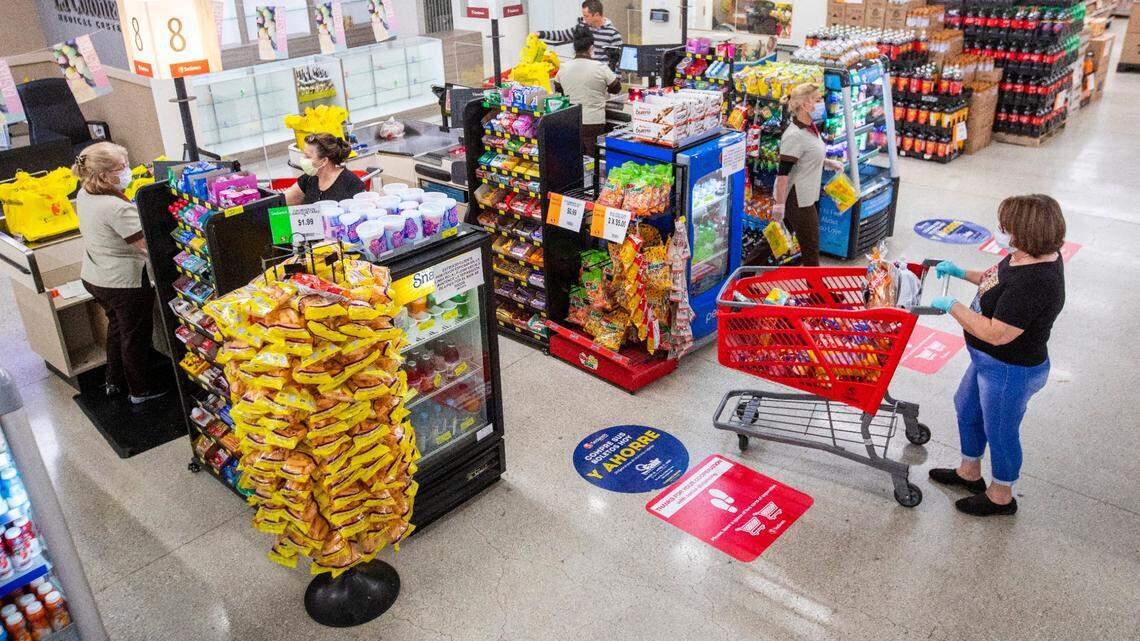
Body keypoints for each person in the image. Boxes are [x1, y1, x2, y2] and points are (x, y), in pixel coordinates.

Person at [928, 195, 1067, 517]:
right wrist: (960, 272)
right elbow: (995, 278)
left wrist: (953, 306)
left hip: (1010, 370)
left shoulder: (1038, 281)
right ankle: (969, 473)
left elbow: (996, 334)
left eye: (1007, 226)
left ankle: (1001, 495)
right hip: (986, 362)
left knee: (1001, 431)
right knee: (966, 407)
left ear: (1027, 232)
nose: (1000, 230)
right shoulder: (1023, 256)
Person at [73, 142, 167, 404]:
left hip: (95, 275)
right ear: (103, 175)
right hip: (123, 284)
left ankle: (114, 381)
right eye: (122, 167)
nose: (128, 170)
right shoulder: (115, 208)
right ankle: (140, 391)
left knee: (118, 328)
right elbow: (148, 247)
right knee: (134, 336)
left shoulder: (85, 193)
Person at [772, 83, 843, 267]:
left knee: (773, 243)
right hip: (797, 199)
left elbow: (807, 155)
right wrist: (779, 205)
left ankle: (744, 275)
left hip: (803, 195)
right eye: (817, 100)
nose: (822, 104)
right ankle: (816, 293)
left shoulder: (809, 127)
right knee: (811, 249)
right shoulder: (794, 135)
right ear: (804, 105)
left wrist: (828, 163)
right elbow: (783, 174)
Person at [554, 26, 621, 158]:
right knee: (593, 160)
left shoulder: (564, 68)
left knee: (575, 160)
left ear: (574, 47)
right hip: (594, 122)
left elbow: (558, 90)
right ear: (591, 47)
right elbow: (616, 88)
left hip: (572, 121)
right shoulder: (601, 68)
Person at [284, 133, 365, 205]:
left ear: (324, 161)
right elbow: (282, 201)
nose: (303, 159)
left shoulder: (351, 183)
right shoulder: (309, 179)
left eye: (308, 156)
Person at [538, 0, 624, 66]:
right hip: (582, 70)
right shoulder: (582, 26)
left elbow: (618, 60)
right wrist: (540, 34)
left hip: (600, 77)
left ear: (597, 15)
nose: (584, 18)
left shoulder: (613, 34)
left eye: (586, 16)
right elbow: (563, 35)